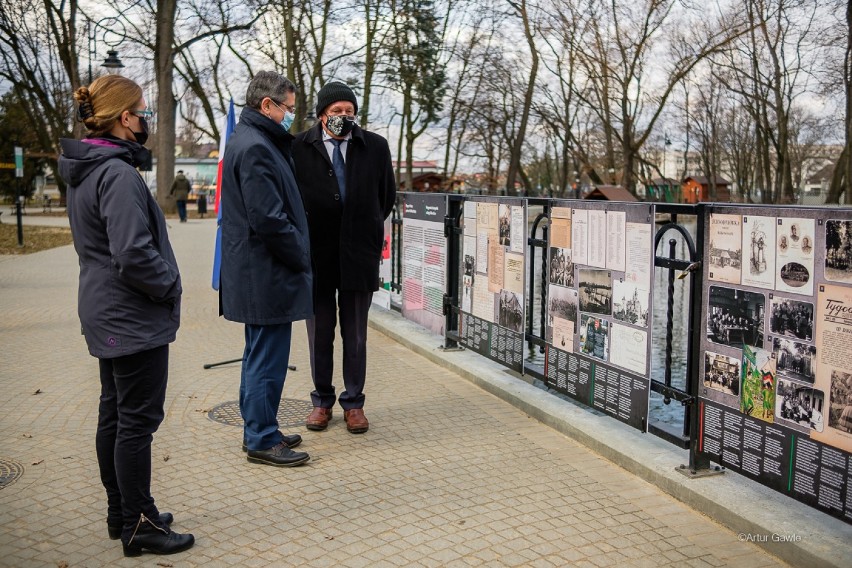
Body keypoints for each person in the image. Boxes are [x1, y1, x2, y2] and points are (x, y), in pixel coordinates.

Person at [58, 75, 194, 557]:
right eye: (144, 111)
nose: (148, 120)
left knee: (116, 415)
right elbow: (133, 253)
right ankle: (139, 523)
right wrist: (171, 285)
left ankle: (125, 513)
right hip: (129, 315)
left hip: (108, 310)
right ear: (124, 118)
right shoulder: (115, 174)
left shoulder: (89, 168)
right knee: (135, 421)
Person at [220, 71, 312, 467]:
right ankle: (260, 437)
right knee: (266, 359)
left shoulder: (253, 139)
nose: (291, 116)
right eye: (288, 109)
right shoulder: (257, 146)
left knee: (259, 354)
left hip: (260, 271)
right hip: (266, 272)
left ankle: (261, 427)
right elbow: (270, 219)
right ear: (267, 106)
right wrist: (302, 254)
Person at [292, 82, 396, 433]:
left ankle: (354, 403)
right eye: (336, 112)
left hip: (358, 255)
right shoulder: (298, 148)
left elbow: (386, 198)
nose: (343, 117)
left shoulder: (375, 147)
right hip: (316, 257)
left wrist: (361, 228)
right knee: (319, 333)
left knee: (355, 335)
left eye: (349, 112)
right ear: (322, 115)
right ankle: (321, 401)